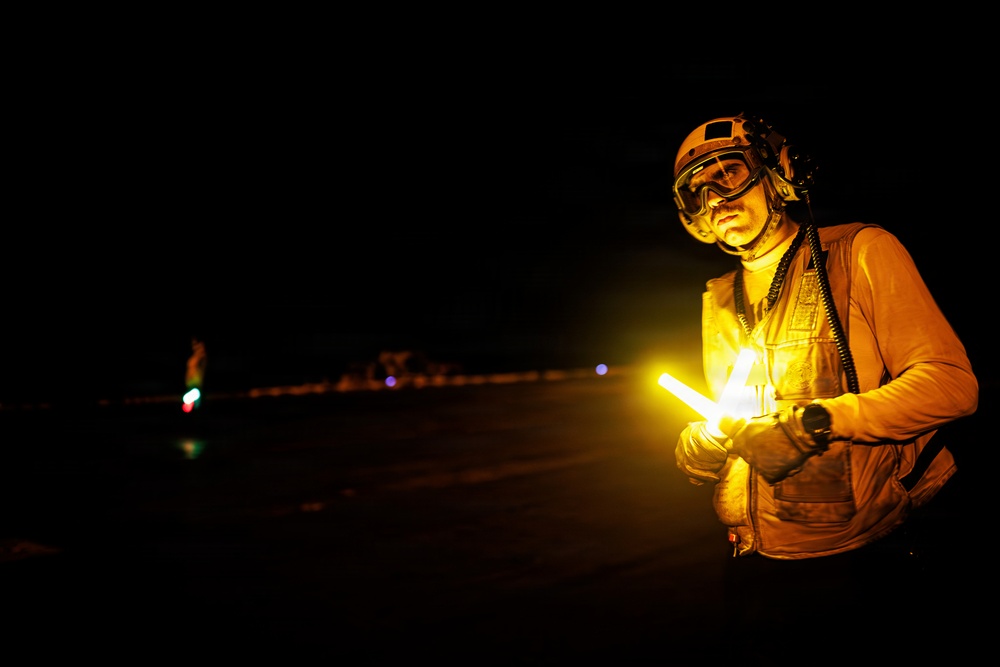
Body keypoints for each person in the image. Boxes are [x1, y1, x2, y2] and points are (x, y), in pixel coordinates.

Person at [670, 113, 979, 661]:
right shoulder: (718, 296)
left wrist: (817, 422)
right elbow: (739, 415)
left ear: (777, 173)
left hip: (862, 565)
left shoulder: (861, 251)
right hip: (753, 567)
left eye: (728, 172)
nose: (716, 197)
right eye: (698, 190)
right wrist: (705, 444)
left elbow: (951, 386)